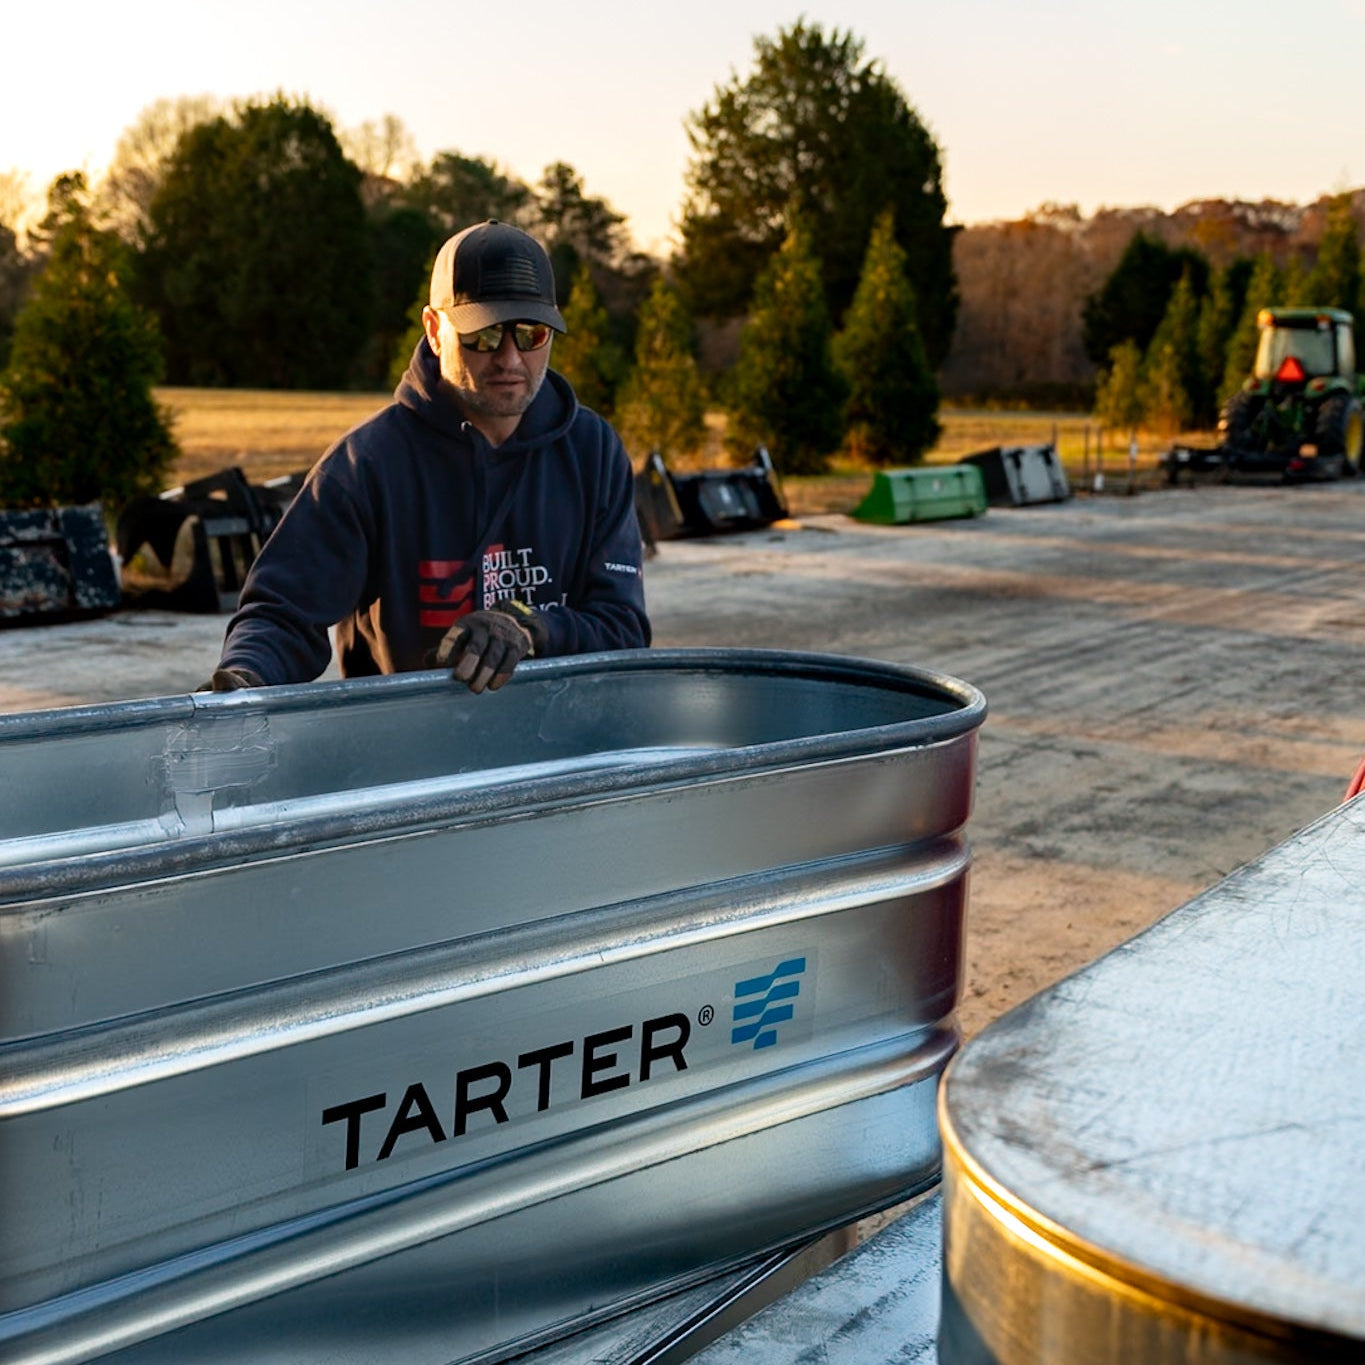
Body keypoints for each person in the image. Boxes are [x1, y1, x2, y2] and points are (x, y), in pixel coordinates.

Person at [207, 219, 650, 695]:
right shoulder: (369, 464)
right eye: (482, 335)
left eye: (530, 334)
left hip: (554, 746)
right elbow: (283, 613)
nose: (509, 358)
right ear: (435, 330)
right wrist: (244, 681)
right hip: (407, 744)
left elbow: (622, 627)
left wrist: (530, 629)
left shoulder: (592, 451)